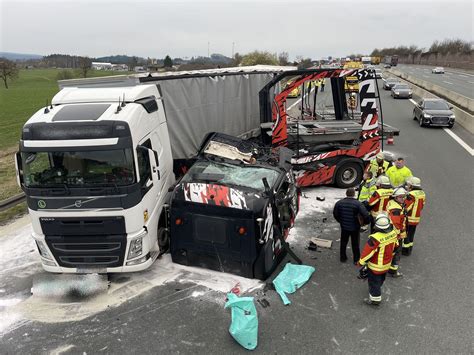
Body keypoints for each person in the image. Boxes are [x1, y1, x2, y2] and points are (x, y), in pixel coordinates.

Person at [358, 213, 399, 306]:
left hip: (375, 267)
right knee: (381, 279)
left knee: (373, 282)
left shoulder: (375, 238)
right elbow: (396, 246)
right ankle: (377, 289)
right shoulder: (393, 234)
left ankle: (375, 300)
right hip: (387, 264)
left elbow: (367, 253)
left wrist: (361, 262)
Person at [333, 188, 370, 264]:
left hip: (344, 227)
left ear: (346, 194)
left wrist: (341, 221)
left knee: (343, 242)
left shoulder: (339, 203)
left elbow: (335, 214)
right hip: (355, 228)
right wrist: (365, 223)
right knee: (355, 244)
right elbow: (365, 215)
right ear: (354, 194)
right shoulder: (358, 204)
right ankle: (356, 259)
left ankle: (343, 258)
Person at [387, 187, 408, 277]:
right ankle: (393, 271)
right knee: (397, 253)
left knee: (392, 252)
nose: (403, 199)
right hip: (396, 234)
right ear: (395, 197)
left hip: (393, 233)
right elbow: (396, 223)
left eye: (404, 197)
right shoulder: (396, 209)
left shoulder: (393, 203)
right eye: (400, 197)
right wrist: (399, 235)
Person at [403, 177, 426, 256]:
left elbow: (407, 207)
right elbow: (422, 205)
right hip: (416, 218)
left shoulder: (411, 194)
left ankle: (405, 250)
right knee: (411, 234)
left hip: (409, 218)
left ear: (412, 185)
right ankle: (409, 249)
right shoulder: (422, 193)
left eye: (409, 184)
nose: (408, 186)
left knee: (405, 234)